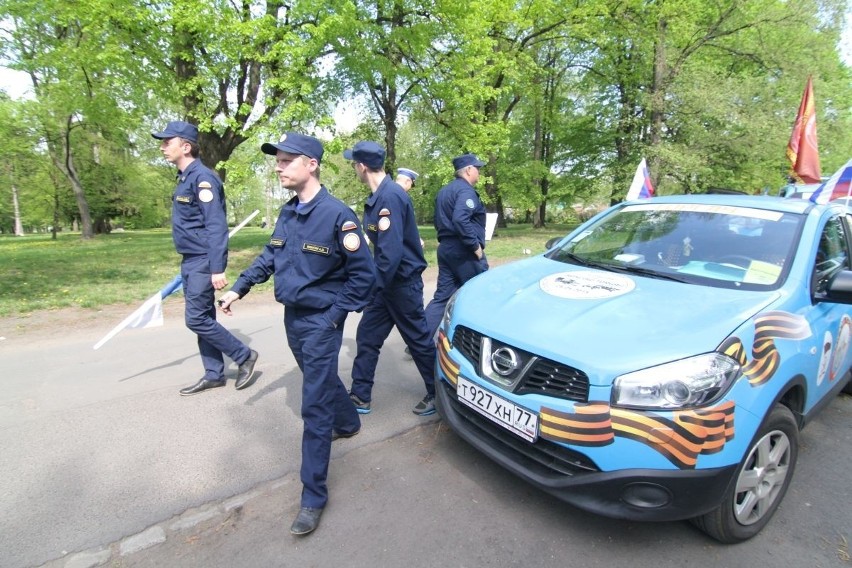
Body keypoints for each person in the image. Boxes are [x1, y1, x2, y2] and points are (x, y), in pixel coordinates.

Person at [217, 132, 377, 537]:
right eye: (278, 160)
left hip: (322, 321)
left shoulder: (339, 216)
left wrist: (332, 319)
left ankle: (312, 497)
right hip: (294, 320)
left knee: (313, 406)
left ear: (312, 164)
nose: (279, 166)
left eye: (288, 159)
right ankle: (350, 423)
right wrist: (240, 286)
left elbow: (364, 278)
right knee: (318, 381)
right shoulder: (289, 213)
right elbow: (271, 254)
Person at [151, 121, 258, 396]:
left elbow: (216, 225)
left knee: (196, 319)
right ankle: (214, 374)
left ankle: (244, 355)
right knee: (204, 316)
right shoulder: (185, 178)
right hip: (190, 259)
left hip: (202, 260)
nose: (163, 147)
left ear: (185, 147)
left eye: (167, 142)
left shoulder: (203, 179)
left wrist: (217, 267)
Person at [343, 142, 436, 416]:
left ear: (361, 166)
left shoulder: (390, 197)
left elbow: (390, 254)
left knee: (418, 342)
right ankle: (360, 396)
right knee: (367, 336)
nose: (354, 168)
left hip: (401, 285)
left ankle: (439, 394)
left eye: (353, 164)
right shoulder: (380, 195)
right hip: (386, 285)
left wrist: (368, 290)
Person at [424, 153, 489, 336]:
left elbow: (438, 221)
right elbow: (460, 219)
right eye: (477, 168)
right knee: (479, 294)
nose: (479, 172)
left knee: (442, 297)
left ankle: (420, 340)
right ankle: (478, 341)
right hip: (465, 251)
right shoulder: (466, 191)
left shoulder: (444, 191)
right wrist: (475, 247)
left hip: (446, 248)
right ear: (468, 170)